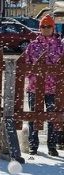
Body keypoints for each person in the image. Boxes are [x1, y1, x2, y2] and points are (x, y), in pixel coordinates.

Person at [25, 15, 63, 157]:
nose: (46, 29)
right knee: (34, 116)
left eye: (48, 26)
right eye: (43, 26)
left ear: (53, 27)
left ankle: (52, 146)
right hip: (35, 87)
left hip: (54, 89)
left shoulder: (60, 45)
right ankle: (33, 145)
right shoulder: (33, 45)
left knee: (52, 117)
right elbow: (26, 64)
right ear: (39, 28)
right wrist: (32, 77)